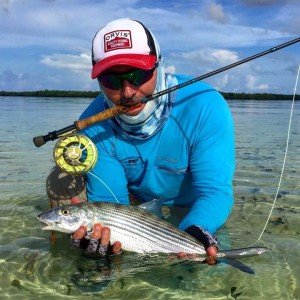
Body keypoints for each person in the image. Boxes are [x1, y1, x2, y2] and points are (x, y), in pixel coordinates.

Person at [46, 18, 235, 259]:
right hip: (133, 209)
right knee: (61, 177)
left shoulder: (205, 104)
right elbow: (110, 202)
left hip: (196, 206)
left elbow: (214, 191)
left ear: (158, 66)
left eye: (138, 75)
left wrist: (196, 227)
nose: (127, 92)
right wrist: (105, 241)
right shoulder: (92, 126)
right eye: (112, 80)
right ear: (98, 81)